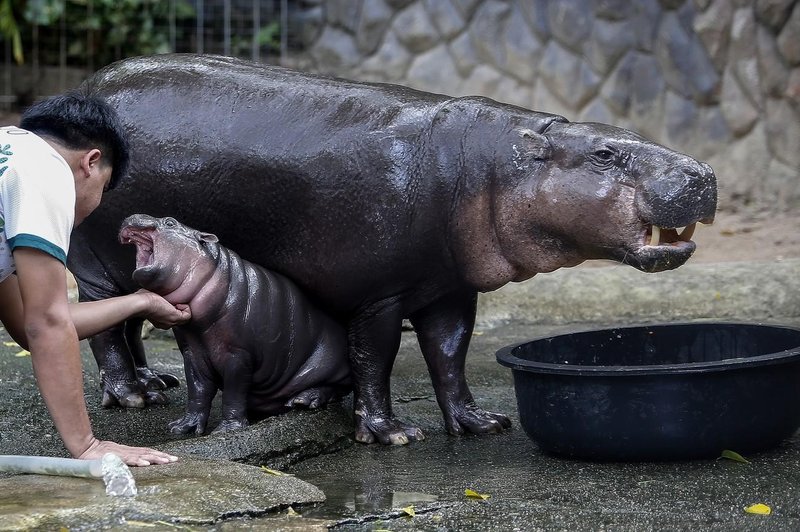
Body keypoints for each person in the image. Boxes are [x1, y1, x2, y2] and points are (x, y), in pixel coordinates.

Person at [0, 91, 191, 466]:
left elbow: (28, 324)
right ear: (91, 162)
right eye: (103, 189)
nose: (96, 203)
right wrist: (87, 446)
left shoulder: (11, 149)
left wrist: (142, 301)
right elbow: (47, 324)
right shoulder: (47, 171)